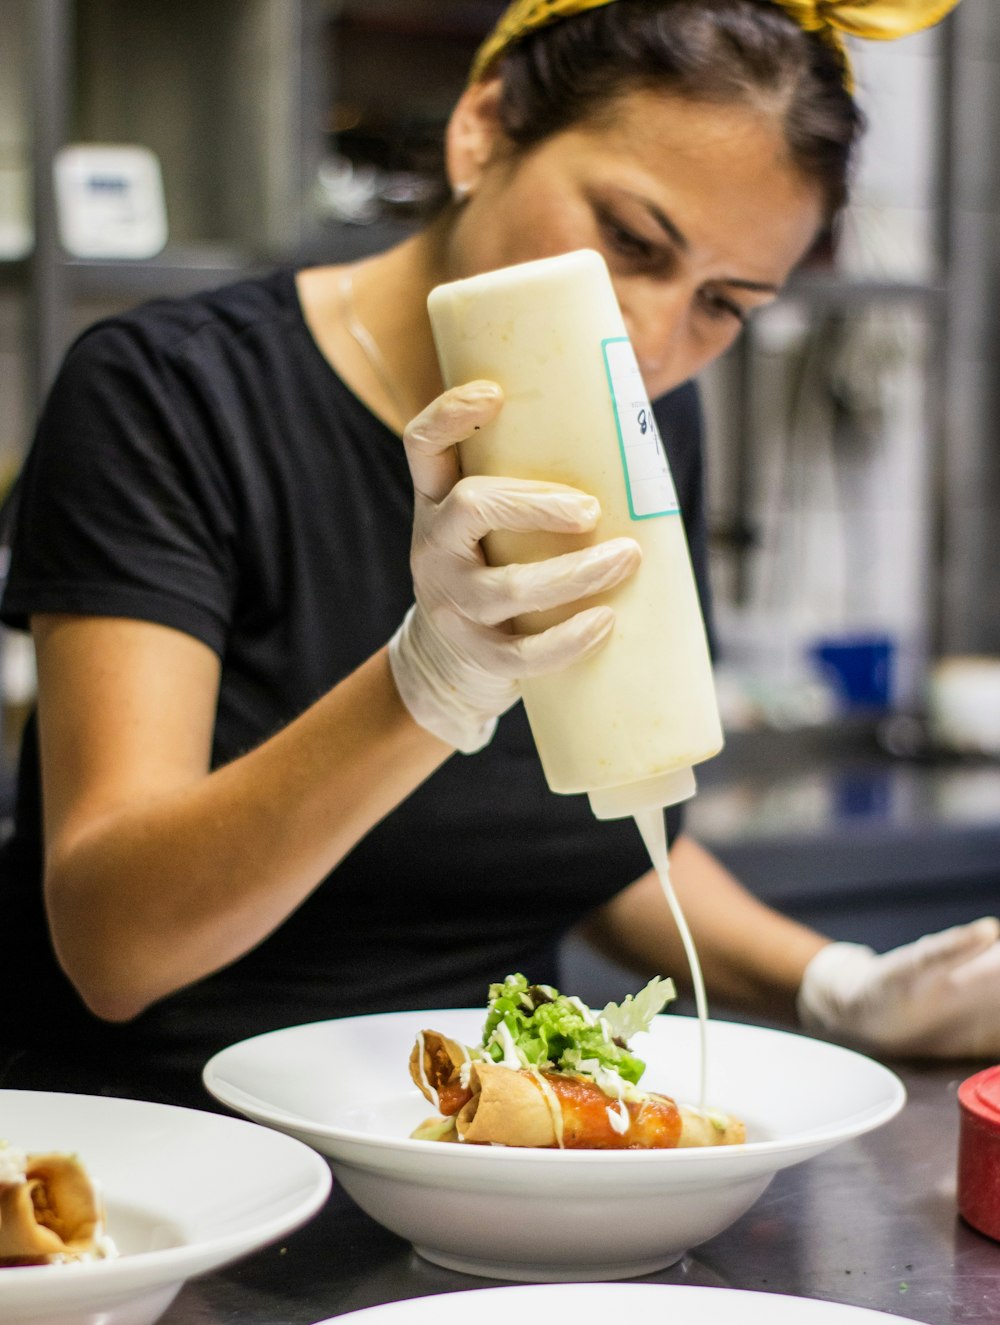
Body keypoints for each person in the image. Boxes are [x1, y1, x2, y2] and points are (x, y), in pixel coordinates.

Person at [0, 0, 991, 1112]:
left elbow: (603, 826)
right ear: (481, 128)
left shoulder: (648, 415)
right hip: (181, 1163)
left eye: (724, 302)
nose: (655, 341)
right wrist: (426, 684)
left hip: (486, 1143)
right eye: (630, 240)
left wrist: (835, 984)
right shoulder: (170, 395)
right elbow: (114, 946)